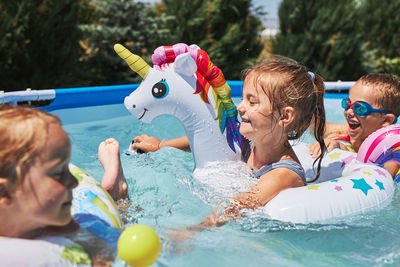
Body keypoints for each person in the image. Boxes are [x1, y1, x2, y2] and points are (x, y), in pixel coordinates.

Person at [133, 58, 327, 227]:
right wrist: (162, 145)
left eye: (252, 102)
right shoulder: (246, 141)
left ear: (285, 116)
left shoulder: (283, 174)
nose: (240, 107)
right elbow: (208, 141)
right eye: (243, 98)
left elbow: (236, 207)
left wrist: (194, 230)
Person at [0, 105, 128, 265]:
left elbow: (103, 254)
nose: (74, 181)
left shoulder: (63, 225)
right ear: (4, 192)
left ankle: (117, 194)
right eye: (59, 173)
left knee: (122, 218)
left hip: (85, 215)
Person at [308, 73, 400, 179]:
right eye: (347, 104)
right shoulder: (348, 131)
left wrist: (342, 150)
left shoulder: (392, 152)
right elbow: (317, 126)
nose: (349, 112)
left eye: (360, 108)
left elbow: (376, 179)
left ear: (386, 120)